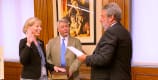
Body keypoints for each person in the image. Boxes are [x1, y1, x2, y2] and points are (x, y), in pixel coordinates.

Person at [77, 3, 132, 80]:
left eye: (102, 16)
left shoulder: (111, 32)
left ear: (111, 17)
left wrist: (86, 58)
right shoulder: (124, 31)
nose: (100, 20)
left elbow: (104, 59)